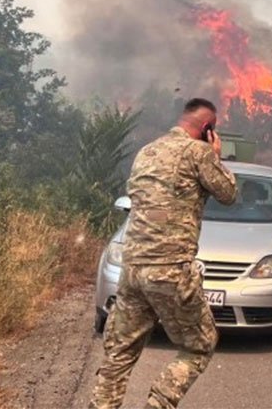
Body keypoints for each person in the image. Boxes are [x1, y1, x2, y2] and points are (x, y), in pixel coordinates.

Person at [89, 98, 237, 409]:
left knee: (120, 352)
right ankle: (158, 404)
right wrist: (215, 156)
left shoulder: (147, 152)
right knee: (200, 345)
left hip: (133, 270)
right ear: (207, 128)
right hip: (170, 270)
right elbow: (228, 194)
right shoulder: (198, 152)